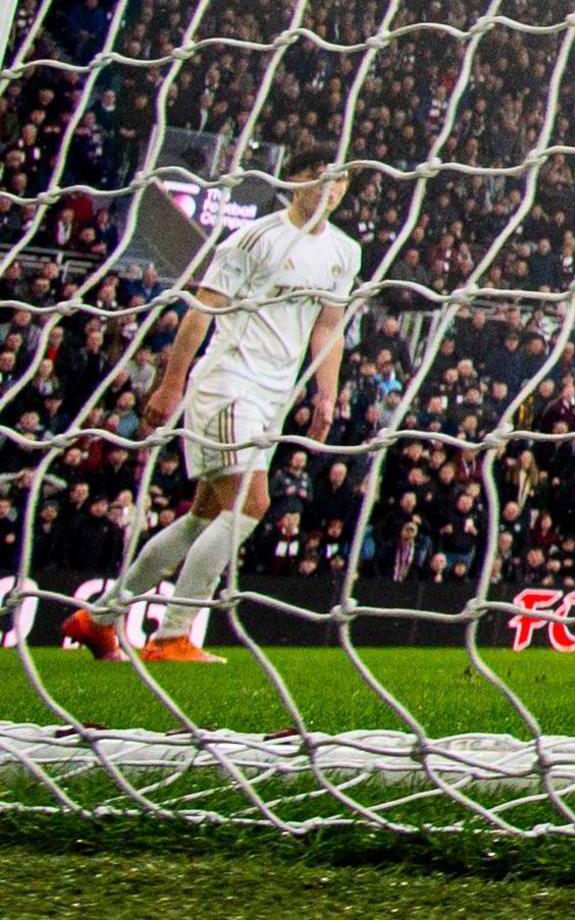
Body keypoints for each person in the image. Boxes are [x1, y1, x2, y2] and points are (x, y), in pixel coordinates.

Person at [63, 147, 359, 664]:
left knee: (204, 516)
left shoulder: (344, 252)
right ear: (292, 182)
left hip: (272, 398)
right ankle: (172, 634)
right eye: (321, 179)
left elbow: (328, 327)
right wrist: (169, 383)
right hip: (229, 383)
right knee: (252, 504)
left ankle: (100, 618)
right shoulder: (252, 238)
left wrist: (325, 394)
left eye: (340, 184)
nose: (330, 191)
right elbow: (200, 311)